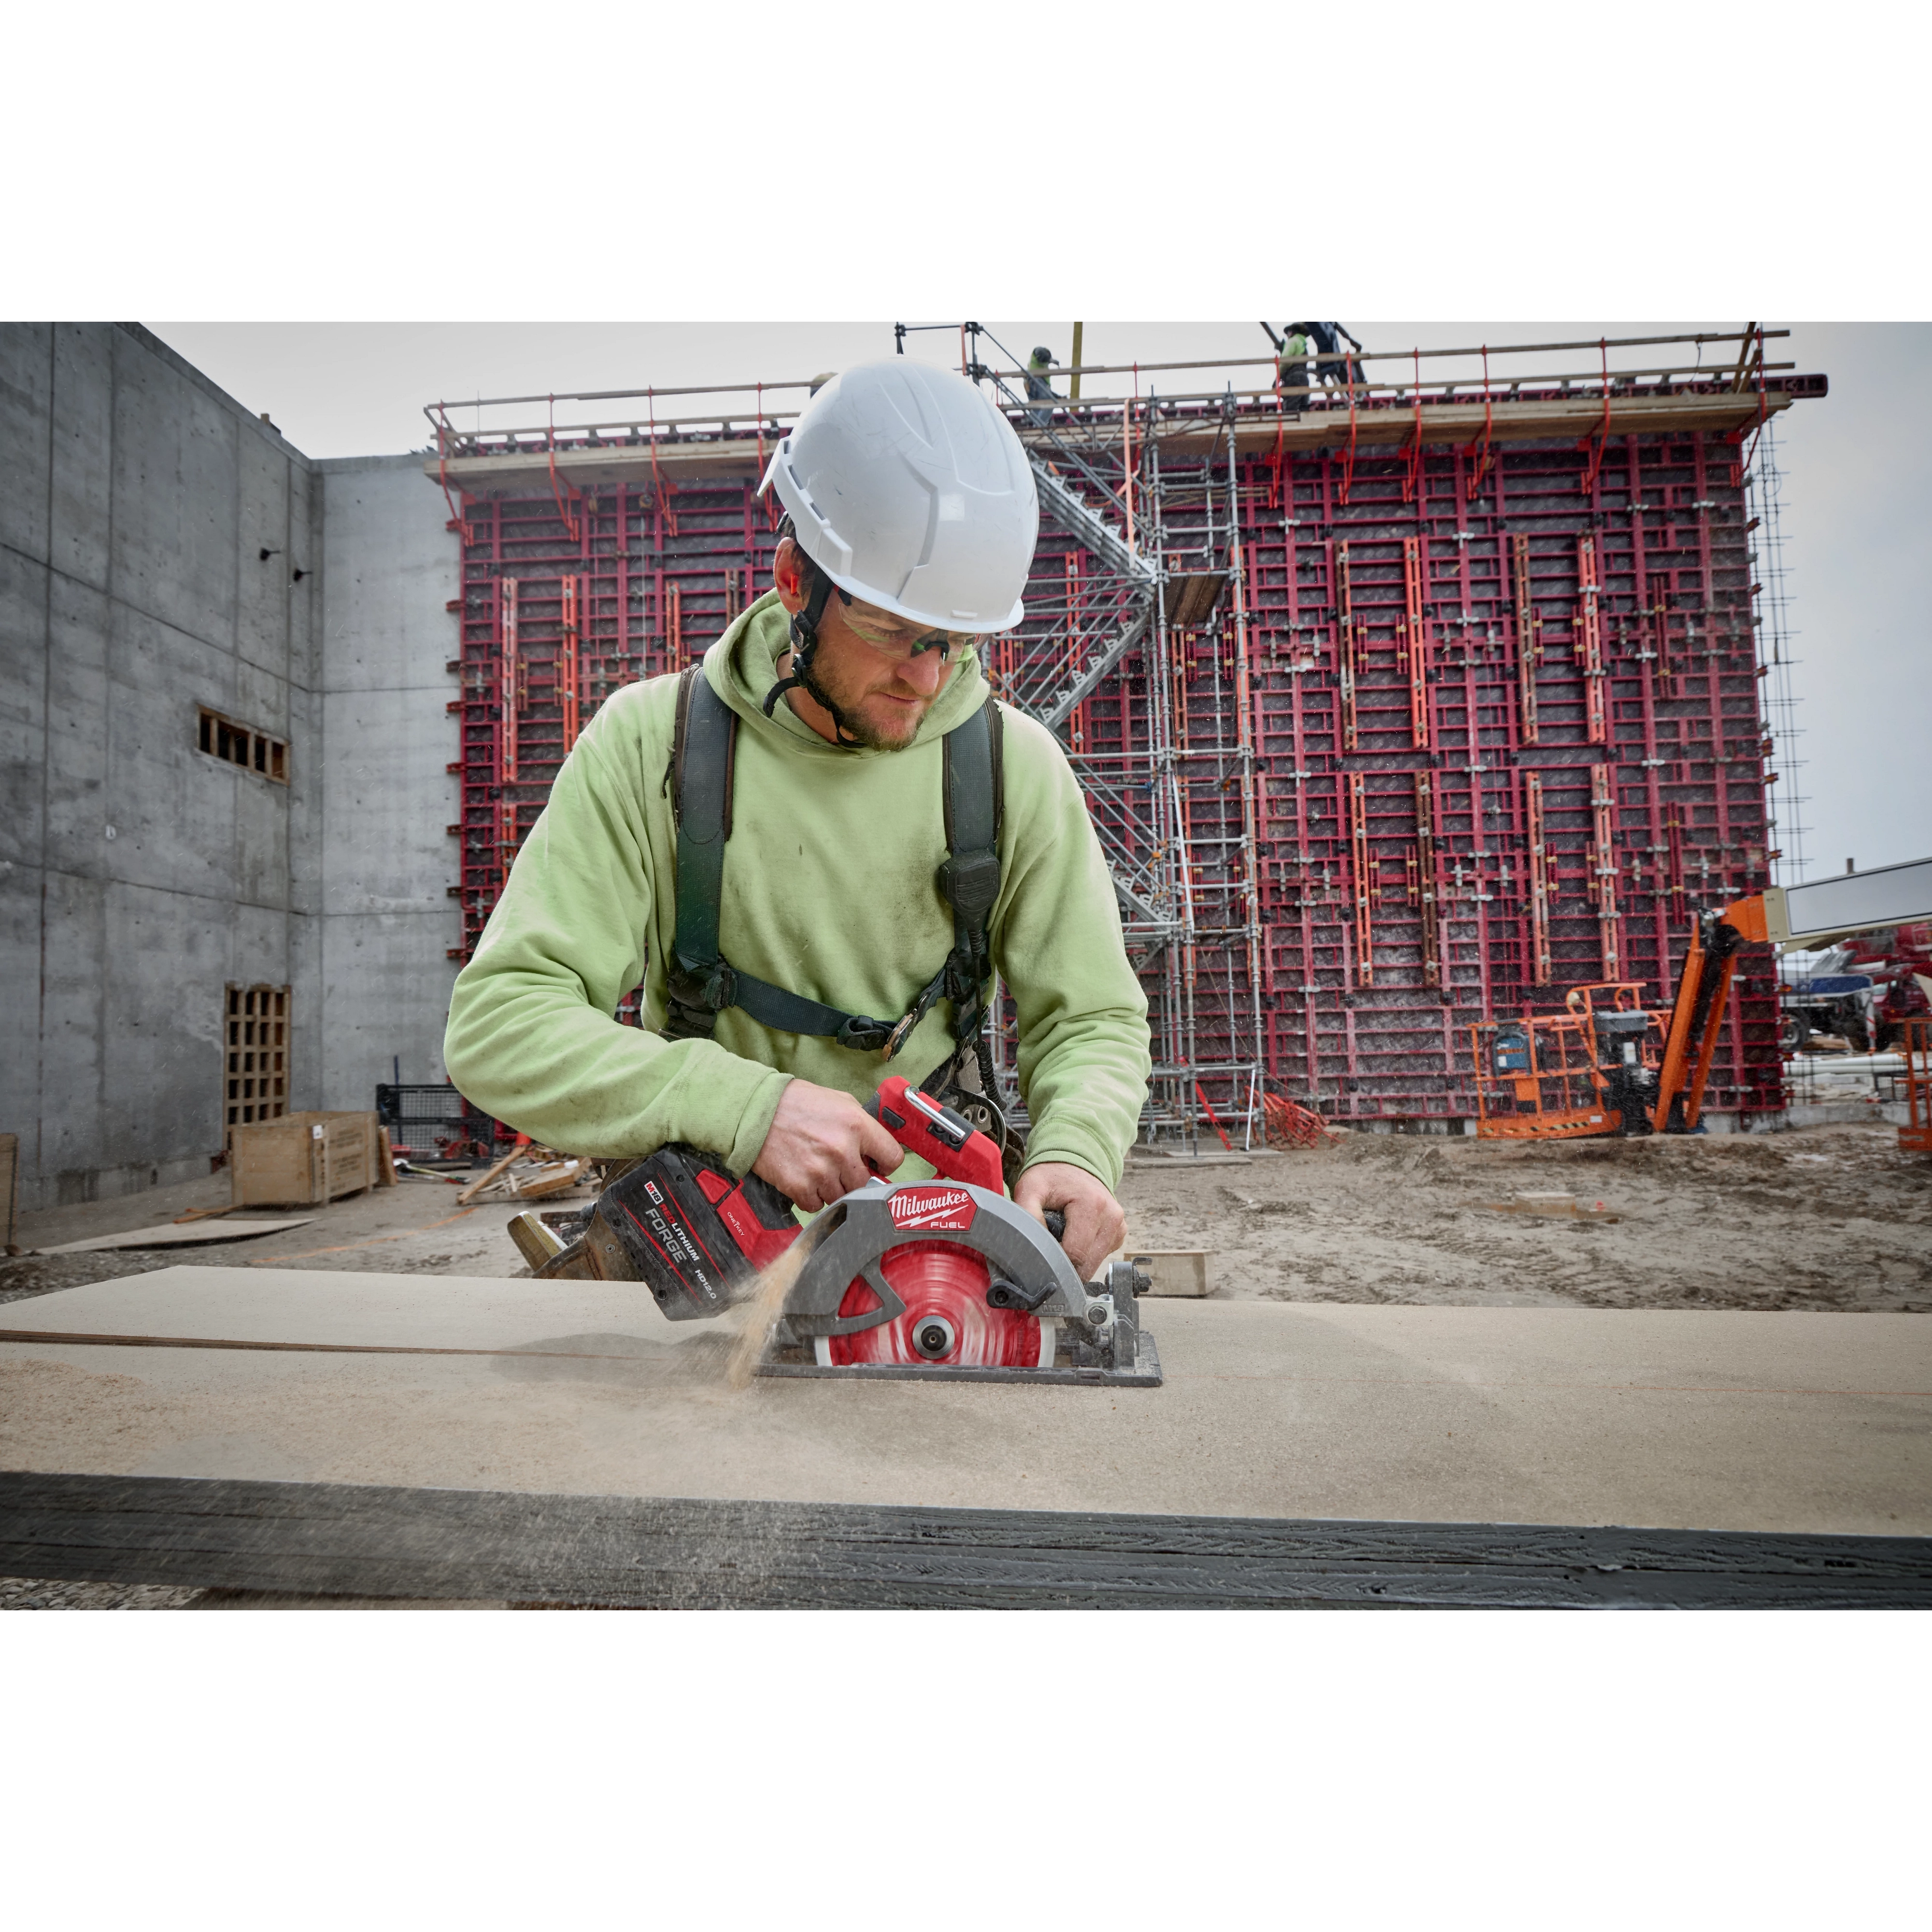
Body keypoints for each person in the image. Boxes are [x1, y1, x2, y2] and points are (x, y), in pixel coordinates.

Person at [444, 359, 1149, 1280]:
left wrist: (1076, 1151)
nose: (927, 677)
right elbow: (499, 1025)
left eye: (955, 642)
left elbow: (1092, 1016)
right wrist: (746, 1107)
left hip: (937, 1267)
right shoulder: (652, 747)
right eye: (893, 631)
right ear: (793, 580)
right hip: (716, 1253)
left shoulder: (1012, 770)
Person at [1023, 346, 1060, 426]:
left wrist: (1058, 396)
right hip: (1036, 380)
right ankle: (1038, 427)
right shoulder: (1039, 351)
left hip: (1031, 383)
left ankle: (1035, 428)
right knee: (1049, 404)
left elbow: (1047, 393)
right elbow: (1040, 354)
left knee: (1037, 407)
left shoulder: (1040, 364)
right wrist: (1051, 360)